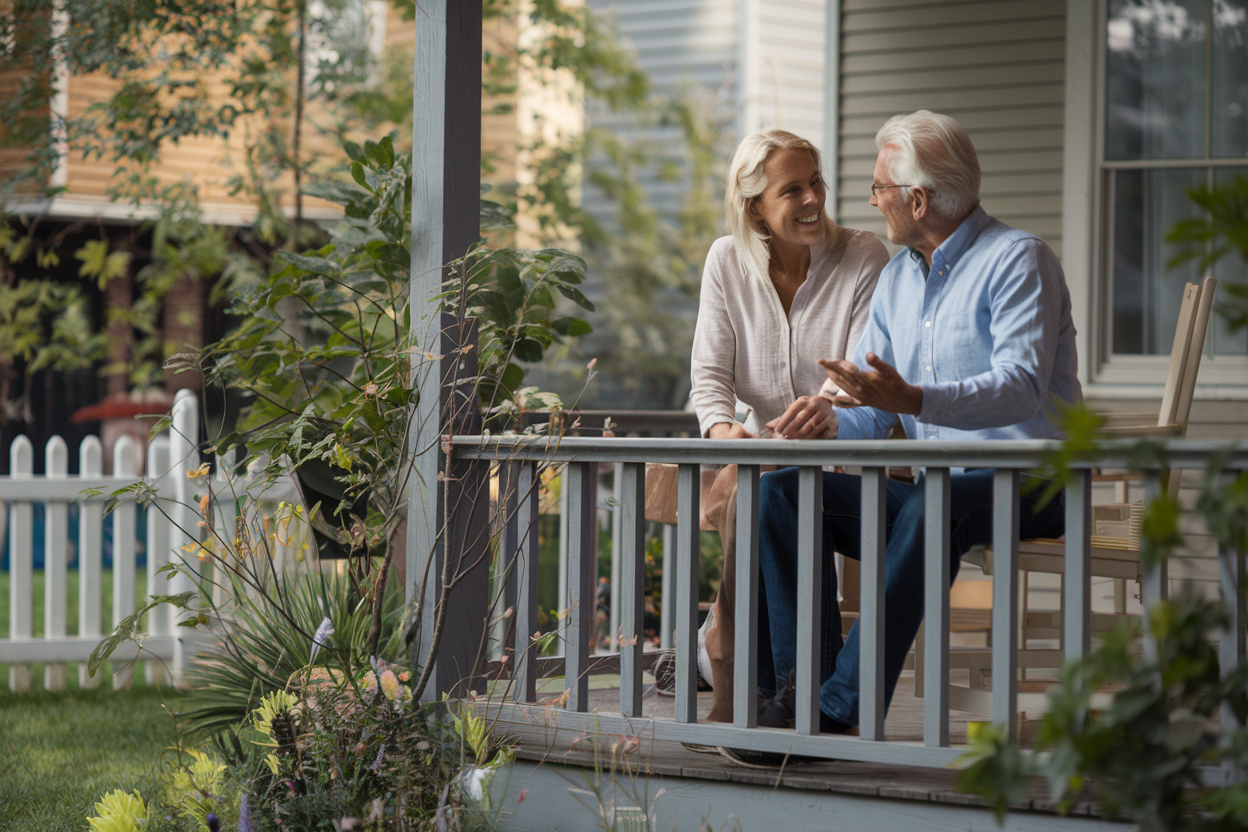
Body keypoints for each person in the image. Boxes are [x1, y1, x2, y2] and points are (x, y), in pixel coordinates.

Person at [750, 110, 1081, 737]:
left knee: (935, 499)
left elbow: (1021, 387)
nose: (873, 201)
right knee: (783, 490)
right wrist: (824, 423)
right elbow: (875, 410)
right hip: (940, 490)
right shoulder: (899, 278)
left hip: (1036, 485)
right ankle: (802, 697)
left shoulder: (1018, 260)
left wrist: (917, 399)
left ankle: (842, 708)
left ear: (918, 199)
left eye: (880, 189)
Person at [651, 129, 887, 724]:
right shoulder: (725, 262)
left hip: (847, 456)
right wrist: (721, 429)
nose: (812, 199)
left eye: (817, 183)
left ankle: (729, 658)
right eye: (792, 190)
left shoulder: (864, 256)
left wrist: (810, 420)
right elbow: (709, 378)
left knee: (749, 488)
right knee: (754, 480)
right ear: (754, 204)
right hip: (759, 458)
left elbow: (856, 377)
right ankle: (765, 685)